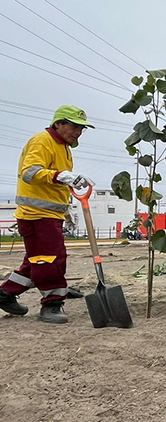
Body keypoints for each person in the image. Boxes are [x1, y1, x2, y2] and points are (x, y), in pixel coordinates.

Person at [0, 106, 96, 324]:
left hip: (51, 214)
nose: (78, 132)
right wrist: (60, 176)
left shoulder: (64, 148)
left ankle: (5, 294)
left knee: (36, 260)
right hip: (35, 215)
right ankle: (52, 302)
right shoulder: (42, 141)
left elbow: (56, 180)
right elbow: (29, 173)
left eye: (82, 128)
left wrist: (70, 182)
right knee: (49, 259)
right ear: (59, 124)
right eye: (74, 126)